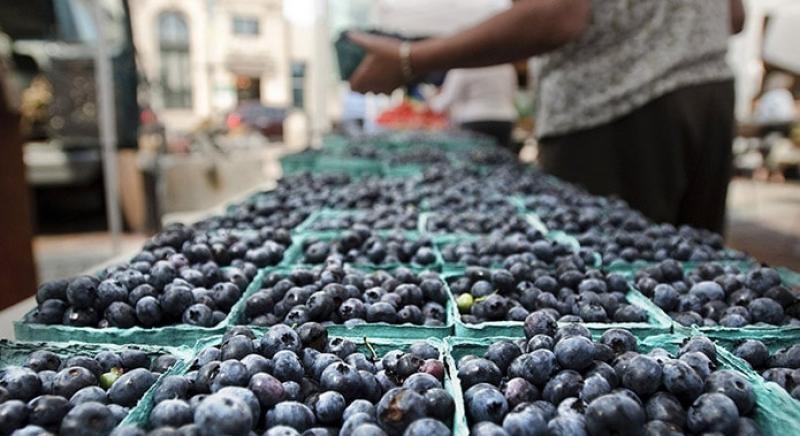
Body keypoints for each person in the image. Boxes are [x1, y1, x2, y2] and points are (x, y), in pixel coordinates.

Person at [349, 0, 745, 235]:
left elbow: (556, 13)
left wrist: (409, 59)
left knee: (604, 298)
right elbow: (735, 16)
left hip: (614, 100)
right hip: (707, 90)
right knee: (694, 293)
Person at [429, 65, 517, 150]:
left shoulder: (464, 66)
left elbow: (448, 98)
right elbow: (512, 93)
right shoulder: (506, 66)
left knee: (475, 159)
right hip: (504, 120)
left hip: (474, 120)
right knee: (503, 159)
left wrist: (431, 101)